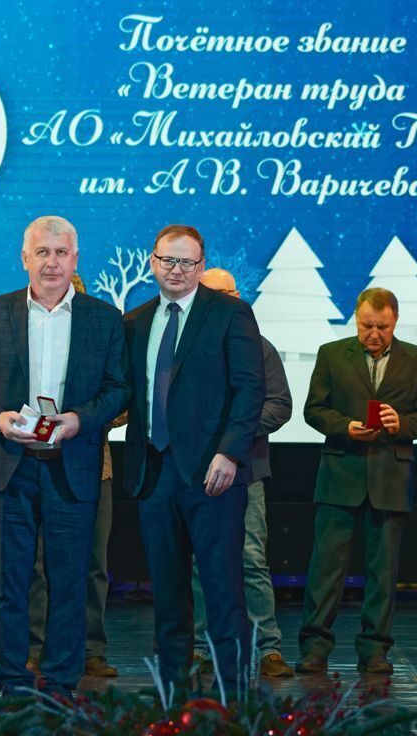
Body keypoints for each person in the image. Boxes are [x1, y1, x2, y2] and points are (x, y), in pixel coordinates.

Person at [0, 216, 128, 698]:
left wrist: (78, 420)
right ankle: (13, 681)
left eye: (61, 253)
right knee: (8, 583)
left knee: (70, 583)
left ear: (76, 259)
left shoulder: (104, 318)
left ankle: (62, 683)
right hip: (10, 465)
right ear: (24, 258)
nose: (52, 262)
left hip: (73, 465)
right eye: (43, 252)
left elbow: (118, 389)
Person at [123, 225, 265, 693]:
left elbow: (251, 389)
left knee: (223, 591)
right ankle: (173, 694)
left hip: (213, 472)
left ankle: (233, 696)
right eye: (168, 260)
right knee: (166, 593)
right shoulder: (136, 320)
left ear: (201, 266)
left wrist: (229, 452)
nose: (177, 270)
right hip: (152, 472)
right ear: (153, 262)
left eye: (187, 262)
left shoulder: (230, 313)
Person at [296, 288, 417, 675]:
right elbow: (314, 410)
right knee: (326, 568)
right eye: (366, 326)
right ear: (356, 319)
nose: (373, 334)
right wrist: (345, 427)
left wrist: (401, 423)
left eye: (382, 327)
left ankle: (375, 649)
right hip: (340, 472)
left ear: (396, 321)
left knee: (383, 571)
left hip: (391, 475)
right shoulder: (331, 353)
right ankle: (314, 647)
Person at [191, 268, 293, 678]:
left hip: (246, 470)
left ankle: (268, 648)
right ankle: (201, 647)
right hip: (196, 471)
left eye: (228, 293)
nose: (222, 301)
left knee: (251, 560)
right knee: (199, 561)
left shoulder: (259, 348)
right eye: (212, 294)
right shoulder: (185, 348)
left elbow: (280, 405)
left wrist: (234, 435)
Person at [27, 274, 120, 679]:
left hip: (93, 469)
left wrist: (86, 416)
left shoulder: (100, 340)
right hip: (35, 464)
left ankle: (91, 648)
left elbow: (122, 400)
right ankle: (36, 647)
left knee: (93, 562)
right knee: (37, 563)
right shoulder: (32, 339)